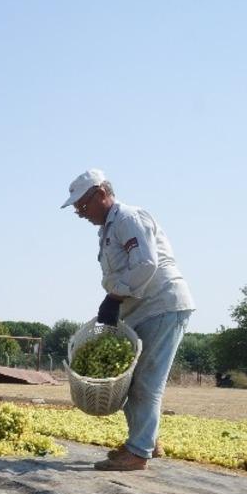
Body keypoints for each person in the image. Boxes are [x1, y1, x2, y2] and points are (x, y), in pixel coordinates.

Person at [61, 169, 194, 471]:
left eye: (82, 205)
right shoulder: (107, 229)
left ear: (100, 195)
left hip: (162, 305)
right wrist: (116, 299)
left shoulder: (127, 219)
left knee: (146, 382)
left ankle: (138, 453)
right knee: (131, 380)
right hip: (141, 309)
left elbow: (146, 264)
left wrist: (115, 297)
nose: (80, 213)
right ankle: (147, 441)